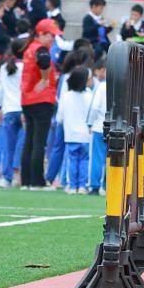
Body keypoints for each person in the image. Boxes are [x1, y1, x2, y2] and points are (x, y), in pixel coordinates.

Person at [20, 19, 60, 189]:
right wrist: (44, 79)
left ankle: (26, 180)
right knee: (39, 143)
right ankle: (37, 181)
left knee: (29, 141)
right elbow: (44, 62)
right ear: (42, 34)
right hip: (41, 99)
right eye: (50, 35)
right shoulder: (41, 49)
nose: (53, 39)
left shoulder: (29, 48)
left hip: (28, 99)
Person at [0, 40, 25, 188]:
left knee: (7, 146)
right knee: (21, 145)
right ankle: (17, 174)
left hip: (8, 109)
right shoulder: (26, 67)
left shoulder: (4, 68)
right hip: (23, 108)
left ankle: (6, 176)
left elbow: (0, 90)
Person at [57, 67, 92, 194]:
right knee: (84, 161)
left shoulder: (66, 96)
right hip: (85, 135)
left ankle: (72, 186)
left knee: (72, 160)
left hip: (71, 134)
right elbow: (91, 115)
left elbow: (59, 117)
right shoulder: (88, 96)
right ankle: (82, 186)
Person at [86, 59, 106, 194]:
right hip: (118, 127)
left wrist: (90, 123)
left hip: (99, 126)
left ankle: (94, 186)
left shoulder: (101, 86)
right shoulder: (126, 84)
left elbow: (94, 107)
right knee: (113, 159)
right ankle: (108, 185)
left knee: (97, 158)